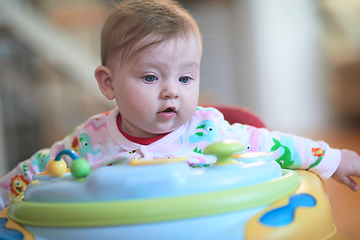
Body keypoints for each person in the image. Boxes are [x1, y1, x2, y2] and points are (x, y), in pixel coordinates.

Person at [0, 0, 360, 210]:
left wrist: (333, 159)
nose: (172, 92)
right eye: (151, 77)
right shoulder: (91, 140)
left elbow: (273, 145)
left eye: (185, 78)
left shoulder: (209, 129)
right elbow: (41, 167)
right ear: (108, 83)